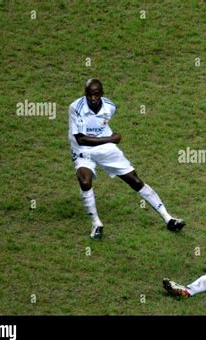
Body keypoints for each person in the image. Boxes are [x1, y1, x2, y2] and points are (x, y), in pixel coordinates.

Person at [68, 79, 185, 240]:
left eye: (96, 94)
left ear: (101, 94)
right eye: (89, 94)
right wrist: (111, 139)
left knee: (135, 180)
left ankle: (168, 218)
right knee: (85, 181)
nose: (92, 98)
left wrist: (108, 139)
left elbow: (102, 125)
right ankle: (96, 223)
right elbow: (81, 139)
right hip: (83, 149)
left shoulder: (110, 106)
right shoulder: (76, 108)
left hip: (105, 148)